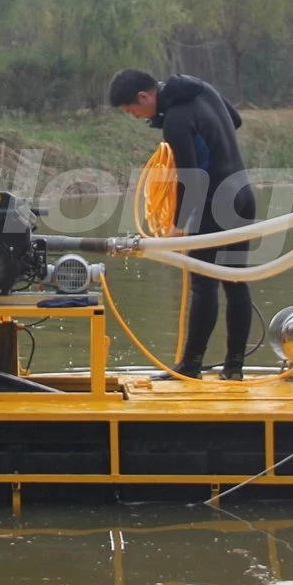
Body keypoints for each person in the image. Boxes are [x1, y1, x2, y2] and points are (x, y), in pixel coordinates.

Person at [108, 69, 256, 380]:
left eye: (132, 111)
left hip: (214, 203)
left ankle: (190, 366)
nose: (134, 117)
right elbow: (236, 121)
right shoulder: (203, 88)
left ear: (144, 97)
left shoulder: (175, 120)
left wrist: (178, 223)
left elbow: (190, 175)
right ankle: (234, 368)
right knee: (235, 282)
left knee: (204, 285)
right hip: (242, 194)